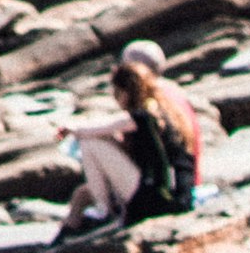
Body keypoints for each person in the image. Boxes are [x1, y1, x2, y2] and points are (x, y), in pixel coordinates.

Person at [57, 40, 214, 242]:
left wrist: (73, 130)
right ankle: (65, 241)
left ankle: (99, 218)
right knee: (82, 194)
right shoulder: (168, 100)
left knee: (91, 145)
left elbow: (108, 128)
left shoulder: (146, 112)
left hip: (161, 196)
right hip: (180, 188)